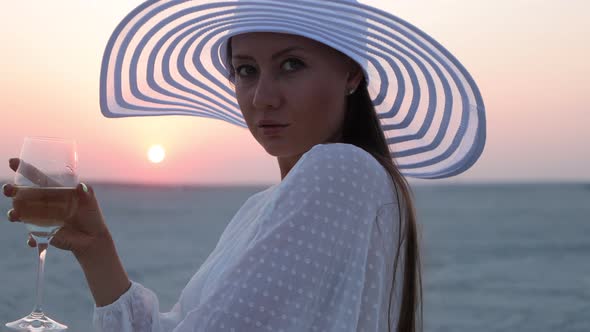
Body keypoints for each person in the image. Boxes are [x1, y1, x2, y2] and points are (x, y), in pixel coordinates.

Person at [3, 0, 486, 331]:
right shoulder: (269, 204)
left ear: (352, 73)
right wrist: (96, 247)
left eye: (292, 65)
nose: (262, 97)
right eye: (246, 70)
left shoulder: (340, 171)